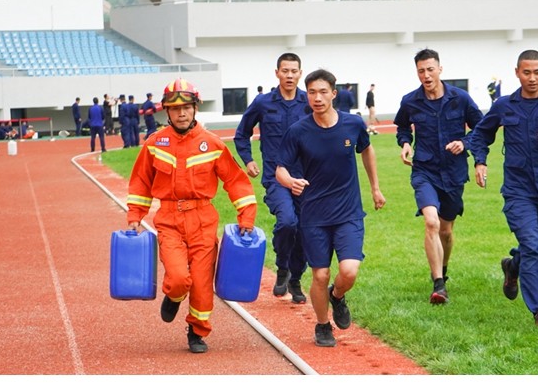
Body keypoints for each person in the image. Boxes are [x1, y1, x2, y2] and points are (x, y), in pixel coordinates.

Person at [125, 81, 258, 354]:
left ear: (195, 108)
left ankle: (197, 331)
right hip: (169, 220)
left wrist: (246, 217)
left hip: (203, 220)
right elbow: (140, 181)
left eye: (186, 107)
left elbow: (236, 181)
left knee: (201, 284)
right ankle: (174, 296)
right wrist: (135, 216)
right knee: (177, 278)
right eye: (175, 109)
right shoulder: (154, 143)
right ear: (167, 112)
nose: (181, 113)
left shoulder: (213, 144)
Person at [466, 50, 538, 328]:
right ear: (517, 73)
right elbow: (481, 134)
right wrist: (480, 162)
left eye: (537, 72)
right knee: (532, 245)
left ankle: (512, 266)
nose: (532, 78)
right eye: (526, 72)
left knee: (535, 248)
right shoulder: (504, 105)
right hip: (517, 190)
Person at [277, 68, 385, 348]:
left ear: (334, 94)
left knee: (349, 271)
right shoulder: (298, 131)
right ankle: (323, 325)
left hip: (348, 213)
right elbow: (280, 169)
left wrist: (375, 188)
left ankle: (336, 296)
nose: (317, 97)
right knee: (320, 274)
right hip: (314, 215)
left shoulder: (353, 124)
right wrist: (290, 182)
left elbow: (367, 150)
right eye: (312, 92)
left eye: (323, 92)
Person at [393, 49, 484, 304]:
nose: (426, 75)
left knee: (445, 231)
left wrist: (465, 144)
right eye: (421, 71)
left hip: (454, 173)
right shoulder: (410, 101)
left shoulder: (460, 98)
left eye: (430, 69)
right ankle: (438, 284)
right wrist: (405, 143)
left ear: (440, 69)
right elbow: (402, 127)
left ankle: (443, 268)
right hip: (424, 170)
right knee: (431, 222)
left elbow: (481, 128)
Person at [234, 52, 312, 304]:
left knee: (304, 230)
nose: (289, 75)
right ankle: (282, 268)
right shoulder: (263, 102)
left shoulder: (309, 101)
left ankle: (296, 279)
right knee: (287, 222)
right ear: (277, 72)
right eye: (285, 71)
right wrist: (248, 160)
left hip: (306, 179)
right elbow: (241, 133)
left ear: (300, 73)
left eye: (294, 71)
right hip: (275, 178)